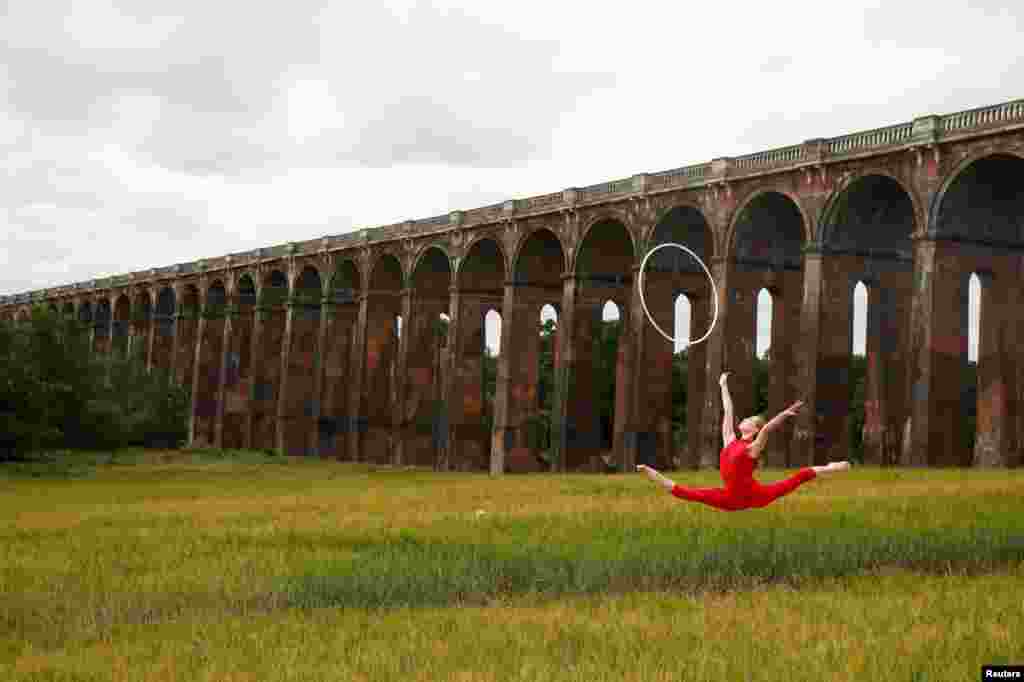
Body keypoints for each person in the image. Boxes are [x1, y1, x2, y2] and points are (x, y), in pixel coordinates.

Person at [637, 372, 850, 511]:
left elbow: (766, 429)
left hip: (755, 495)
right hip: (731, 498)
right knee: (688, 494)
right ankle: (650, 472)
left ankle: (833, 467)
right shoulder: (729, 440)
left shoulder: (751, 449)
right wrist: (722, 385)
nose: (744, 419)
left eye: (749, 419)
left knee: (800, 476)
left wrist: (784, 414)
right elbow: (728, 410)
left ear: (753, 429)